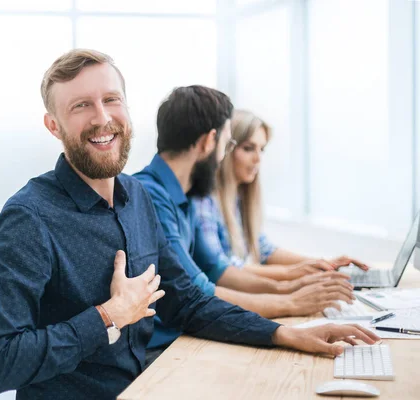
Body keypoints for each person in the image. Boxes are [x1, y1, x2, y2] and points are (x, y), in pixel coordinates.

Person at [0, 49, 379, 400]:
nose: (102, 118)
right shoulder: (27, 219)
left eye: (111, 99)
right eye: (80, 106)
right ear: (54, 126)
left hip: (151, 384)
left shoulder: (138, 200)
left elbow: (188, 302)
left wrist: (284, 334)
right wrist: (109, 315)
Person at [134, 87, 356, 355]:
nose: (224, 159)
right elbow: (199, 291)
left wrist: (292, 291)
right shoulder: (149, 197)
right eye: (228, 146)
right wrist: (290, 300)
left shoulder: (182, 196)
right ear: (208, 142)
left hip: (183, 337)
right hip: (159, 351)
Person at [191, 109, 369, 282]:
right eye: (248, 148)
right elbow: (225, 269)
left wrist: (323, 264)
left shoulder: (239, 199)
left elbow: (265, 250)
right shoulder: (204, 201)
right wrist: (299, 272)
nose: (258, 158)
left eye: (262, 149)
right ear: (226, 148)